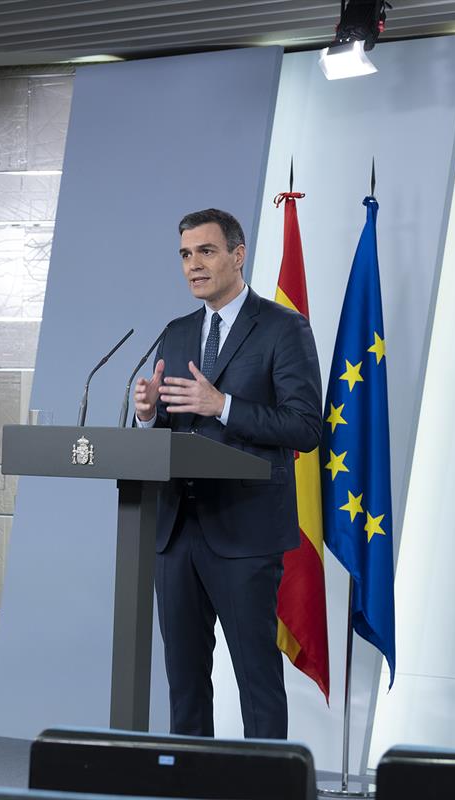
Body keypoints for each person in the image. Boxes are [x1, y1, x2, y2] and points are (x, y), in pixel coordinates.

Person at [133, 208, 322, 738]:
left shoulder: (284, 329)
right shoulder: (176, 333)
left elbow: (306, 426)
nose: (194, 265)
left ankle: (268, 784)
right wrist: (149, 413)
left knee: (257, 682)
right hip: (176, 533)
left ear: (238, 255)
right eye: (186, 255)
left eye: (206, 252)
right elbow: (174, 427)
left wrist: (225, 405)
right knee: (185, 683)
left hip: (245, 532)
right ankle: (191, 785)